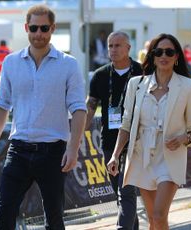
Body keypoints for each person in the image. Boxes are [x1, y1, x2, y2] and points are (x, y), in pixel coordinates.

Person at [0, 4, 87, 230]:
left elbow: (79, 108)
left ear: (52, 28)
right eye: (34, 28)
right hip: (18, 150)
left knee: (54, 218)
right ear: (26, 28)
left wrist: (73, 148)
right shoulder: (11, 62)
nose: (38, 34)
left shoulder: (68, 64)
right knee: (4, 214)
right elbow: (1, 104)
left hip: (53, 152)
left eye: (44, 28)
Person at [107, 33, 191, 230]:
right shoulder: (136, 84)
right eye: (158, 52)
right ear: (152, 56)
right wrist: (115, 155)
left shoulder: (188, 87)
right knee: (154, 220)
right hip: (141, 157)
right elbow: (126, 125)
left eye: (169, 52)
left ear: (177, 57)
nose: (163, 56)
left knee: (159, 215)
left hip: (169, 158)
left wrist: (186, 137)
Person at [86, 31, 142, 230]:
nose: (113, 49)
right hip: (109, 142)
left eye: (118, 45)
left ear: (128, 48)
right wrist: (77, 137)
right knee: (121, 194)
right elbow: (90, 107)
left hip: (137, 141)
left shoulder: (142, 72)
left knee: (126, 191)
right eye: (110, 45)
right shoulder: (100, 75)